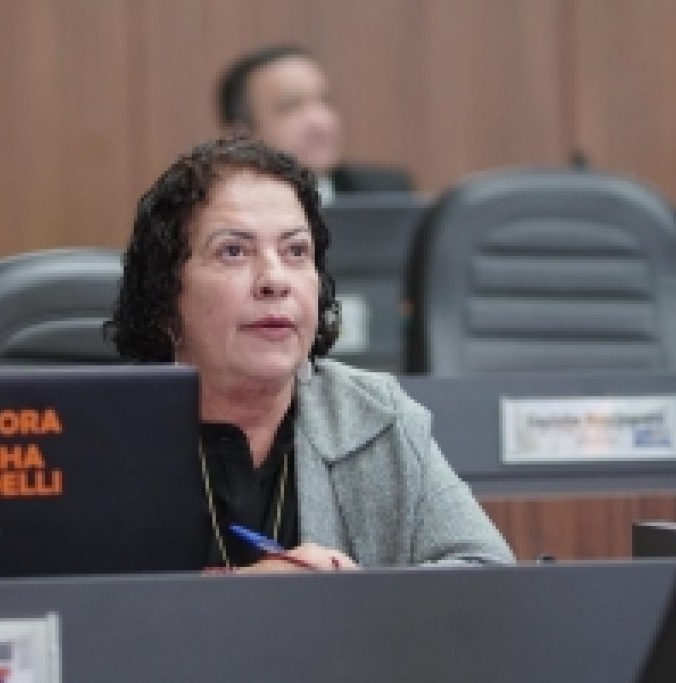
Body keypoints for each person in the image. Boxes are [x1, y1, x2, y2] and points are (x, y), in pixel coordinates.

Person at [107, 137, 512, 572]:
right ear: (165, 293)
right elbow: (71, 600)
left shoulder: (374, 417)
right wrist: (236, 593)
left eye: (296, 251)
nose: (275, 279)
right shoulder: (107, 442)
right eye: (234, 251)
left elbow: (489, 575)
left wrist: (351, 598)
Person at [216, 44, 415, 205]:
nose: (320, 120)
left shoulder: (386, 194)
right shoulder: (223, 208)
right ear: (242, 135)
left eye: (325, 101)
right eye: (291, 105)